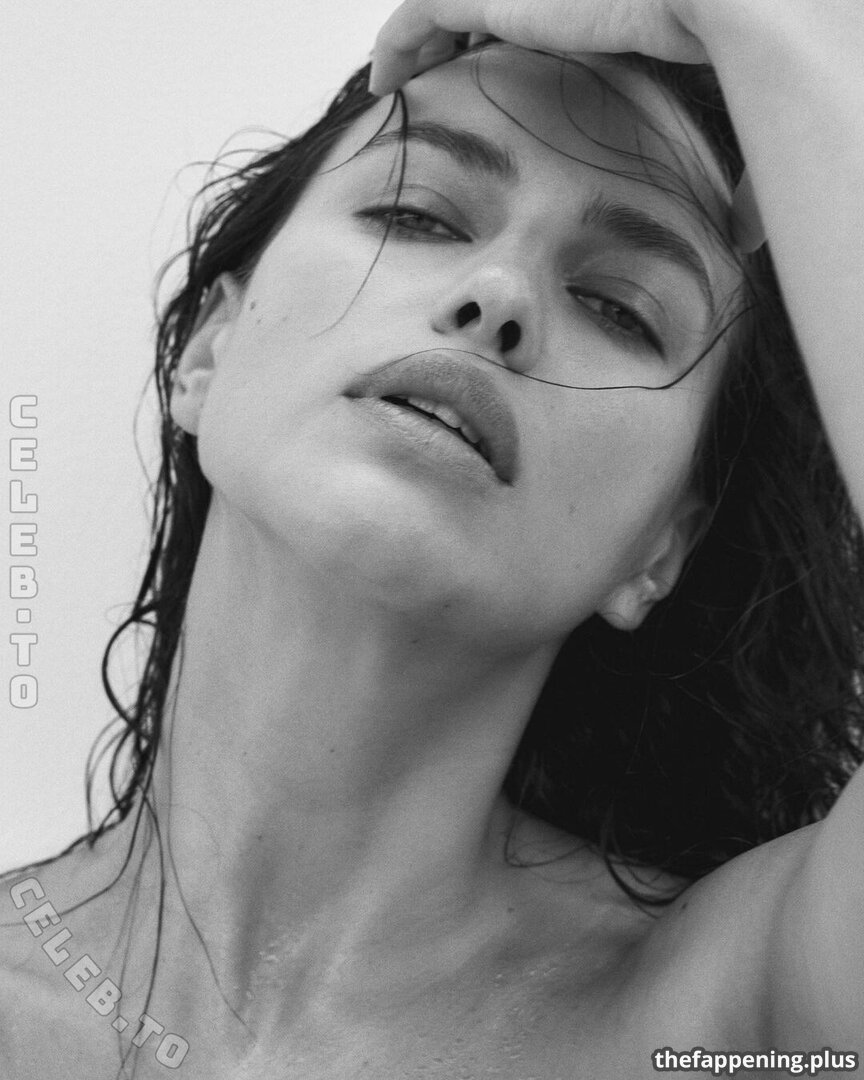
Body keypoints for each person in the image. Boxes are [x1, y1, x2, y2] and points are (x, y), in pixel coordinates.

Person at [2, 0, 863, 1076]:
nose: (498, 296)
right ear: (210, 350)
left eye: (619, 307)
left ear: (660, 547)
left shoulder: (754, 1020)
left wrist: (768, 18)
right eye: (417, 215)